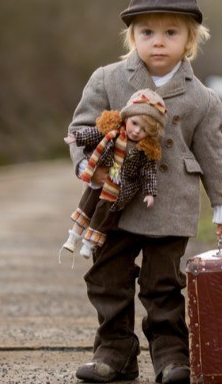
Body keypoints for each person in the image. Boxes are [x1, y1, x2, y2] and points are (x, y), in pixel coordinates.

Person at [66, 0, 222, 384]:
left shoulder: (203, 99)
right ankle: (115, 350)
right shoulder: (108, 79)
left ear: (190, 40)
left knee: (164, 284)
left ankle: (171, 353)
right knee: (107, 276)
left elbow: (214, 156)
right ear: (132, 37)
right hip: (115, 201)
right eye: (147, 32)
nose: (158, 42)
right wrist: (87, 168)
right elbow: (81, 128)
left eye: (170, 33)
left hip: (171, 202)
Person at [60, 89, 166, 265]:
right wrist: (76, 137)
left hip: (118, 189)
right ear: (126, 117)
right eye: (134, 123)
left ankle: (89, 242)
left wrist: (149, 192)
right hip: (101, 178)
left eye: (144, 130)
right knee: (87, 205)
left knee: (104, 215)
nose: (136, 131)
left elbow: (149, 173)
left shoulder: (145, 151)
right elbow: (93, 134)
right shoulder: (113, 132)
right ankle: (73, 236)